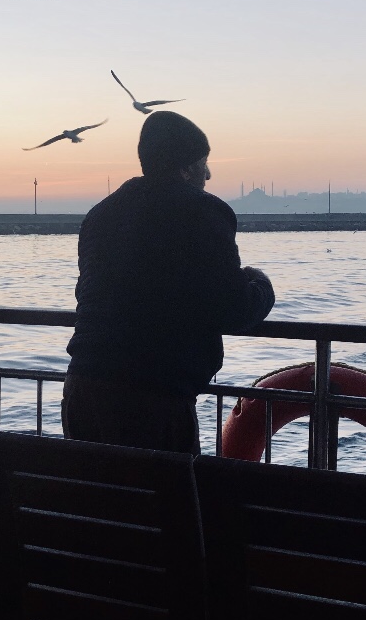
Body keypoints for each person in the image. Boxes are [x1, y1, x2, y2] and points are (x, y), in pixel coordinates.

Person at [62, 111, 275, 455]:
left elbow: (89, 293)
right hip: (154, 398)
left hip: (82, 388)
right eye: (203, 164)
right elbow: (232, 308)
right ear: (186, 168)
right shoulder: (202, 211)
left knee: (94, 490)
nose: (208, 174)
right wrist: (261, 284)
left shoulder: (100, 215)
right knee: (168, 491)